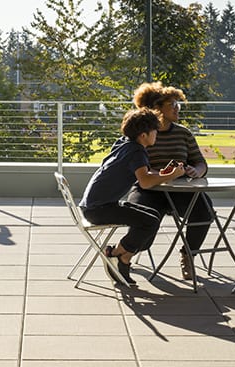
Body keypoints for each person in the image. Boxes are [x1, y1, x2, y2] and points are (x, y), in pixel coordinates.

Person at [80, 108, 184, 285]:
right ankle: (119, 256)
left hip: (93, 205)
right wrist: (171, 175)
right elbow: (145, 182)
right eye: (155, 131)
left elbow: (145, 173)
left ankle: (119, 254)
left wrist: (162, 173)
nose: (157, 135)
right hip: (99, 210)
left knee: (153, 216)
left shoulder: (125, 144)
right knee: (149, 222)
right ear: (144, 135)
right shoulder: (137, 151)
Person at [126, 82, 210, 280]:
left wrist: (196, 171)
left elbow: (201, 162)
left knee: (204, 212)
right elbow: (137, 167)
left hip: (180, 189)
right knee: (141, 223)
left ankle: (188, 255)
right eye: (172, 104)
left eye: (177, 104)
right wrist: (160, 173)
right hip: (149, 189)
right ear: (157, 108)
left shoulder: (183, 133)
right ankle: (124, 254)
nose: (177, 108)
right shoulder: (141, 135)